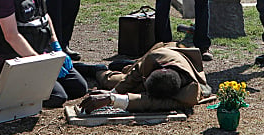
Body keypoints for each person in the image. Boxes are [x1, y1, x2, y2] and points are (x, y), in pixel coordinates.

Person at [78, 42, 211, 113]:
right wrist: (113, 93)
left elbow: (151, 102)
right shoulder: (156, 58)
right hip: (163, 52)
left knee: (123, 82)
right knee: (110, 81)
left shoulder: (189, 94)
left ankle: (126, 65)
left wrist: (113, 99)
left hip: (164, 68)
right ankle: (98, 70)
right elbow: (134, 76)